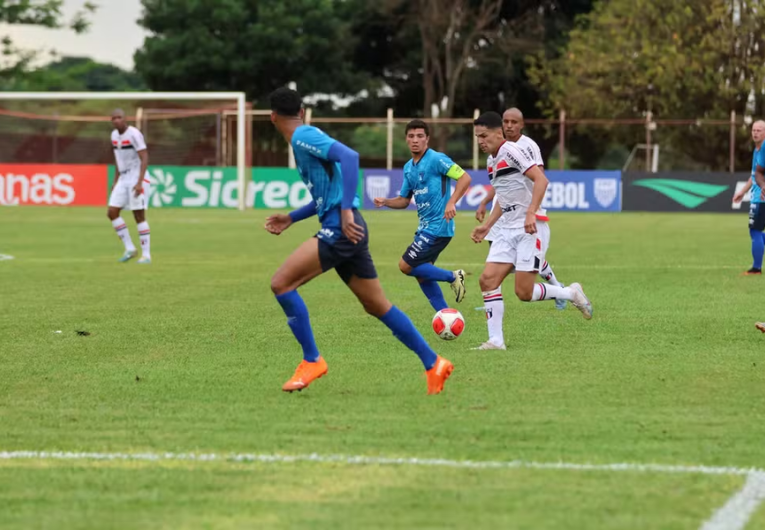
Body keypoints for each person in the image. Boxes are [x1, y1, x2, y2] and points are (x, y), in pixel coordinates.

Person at [264, 88, 453, 394]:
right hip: (347, 226)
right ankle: (434, 363)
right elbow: (328, 195)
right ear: (301, 111)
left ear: (272, 117)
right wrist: (292, 218)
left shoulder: (303, 137)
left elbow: (350, 157)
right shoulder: (303, 140)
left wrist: (347, 211)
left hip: (341, 227)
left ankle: (312, 359)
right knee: (377, 305)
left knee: (281, 284)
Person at [470, 111, 592, 351]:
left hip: (530, 229)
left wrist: (531, 212)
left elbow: (541, 180)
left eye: (484, 136)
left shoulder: (514, 152)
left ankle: (570, 293)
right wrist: (487, 225)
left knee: (523, 292)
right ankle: (496, 341)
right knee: (487, 280)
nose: (480, 141)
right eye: (477, 137)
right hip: (507, 230)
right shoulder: (491, 162)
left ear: (498, 133)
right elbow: (504, 199)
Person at [373, 119, 470, 311]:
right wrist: (386, 201)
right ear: (406, 140)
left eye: (420, 136)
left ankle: (453, 276)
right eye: (411, 136)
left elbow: (465, 178)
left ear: (427, 139)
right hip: (425, 228)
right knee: (422, 273)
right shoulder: (409, 167)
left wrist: (451, 202)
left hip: (439, 226)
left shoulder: (436, 159)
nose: (415, 140)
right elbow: (403, 200)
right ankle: (445, 314)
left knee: (405, 265)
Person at [476, 107, 566, 309]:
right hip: (506, 214)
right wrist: (485, 209)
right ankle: (493, 304)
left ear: (521, 125)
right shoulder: (492, 158)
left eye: (513, 122)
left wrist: (531, 211)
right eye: (505, 121)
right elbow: (501, 188)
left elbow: (538, 178)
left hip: (525, 216)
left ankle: (560, 289)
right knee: (490, 275)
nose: (509, 125)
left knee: (523, 285)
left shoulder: (526, 147)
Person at [107, 109, 151, 264]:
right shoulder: (113, 135)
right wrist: (115, 181)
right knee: (112, 212)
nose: (116, 120)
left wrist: (140, 182)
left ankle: (146, 255)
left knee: (138, 215)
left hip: (136, 176)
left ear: (125, 119)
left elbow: (144, 156)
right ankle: (130, 248)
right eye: (114, 118)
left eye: (119, 117)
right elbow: (118, 159)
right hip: (123, 178)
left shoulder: (134, 134)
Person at [733, 120, 765, 275]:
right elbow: (754, 175)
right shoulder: (757, 150)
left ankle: (756, 268)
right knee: (757, 232)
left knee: (755, 231)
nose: (755, 132)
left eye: (759, 130)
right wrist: (743, 192)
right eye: (753, 130)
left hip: (761, 198)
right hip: (757, 195)